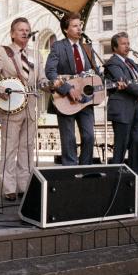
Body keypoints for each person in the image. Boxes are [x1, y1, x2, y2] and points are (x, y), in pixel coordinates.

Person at [0, 17, 49, 201]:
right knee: (9, 147)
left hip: (30, 107)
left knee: (27, 148)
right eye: (20, 29)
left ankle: (24, 185)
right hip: (10, 106)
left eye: (27, 29)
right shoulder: (2, 52)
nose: (25, 32)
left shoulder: (36, 54)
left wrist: (47, 84)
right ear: (12, 33)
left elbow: (41, 79)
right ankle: (9, 188)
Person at [104, 32, 138, 187]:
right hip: (122, 109)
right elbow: (125, 83)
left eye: (128, 43)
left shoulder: (131, 63)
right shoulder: (112, 63)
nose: (127, 46)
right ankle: (115, 180)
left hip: (136, 109)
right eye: (123, 44)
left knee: (137, 142)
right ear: (115, 47)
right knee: (121, 144)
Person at [45, 12, 97, 166]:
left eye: (80, 25)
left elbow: (96, 73)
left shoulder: (87, 48)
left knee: (89, 136)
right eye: (75, 26)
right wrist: (68, 89)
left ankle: (85, 168)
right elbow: (50, 72)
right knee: (69, 138)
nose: (79, 28)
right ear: (66, 29)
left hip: (85, 100)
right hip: (65, 99)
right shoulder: (58, 46)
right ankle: (71, 170)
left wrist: (106, 82)